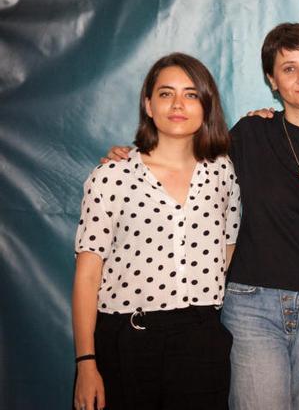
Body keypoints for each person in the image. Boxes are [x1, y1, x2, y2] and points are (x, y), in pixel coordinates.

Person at [103, 23, 299, 409]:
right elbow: (182, 157)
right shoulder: (249, 134)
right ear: (272, 80)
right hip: (251, 307)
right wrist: (131, 157)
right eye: (288, 68)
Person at [72, 53, 240, 410]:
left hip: (201, 340)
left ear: (206, 105)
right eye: (166, 94)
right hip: (128, 340)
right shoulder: (111, 177)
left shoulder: (222, 172)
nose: (178, 104)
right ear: (148, 105)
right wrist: (86, 362)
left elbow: (228, 243)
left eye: (192, 94)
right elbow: (87, 275)